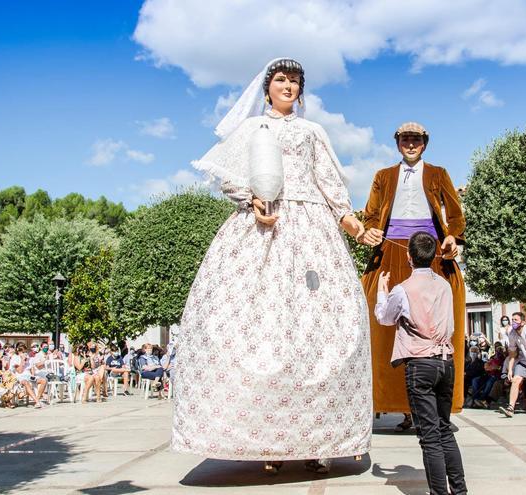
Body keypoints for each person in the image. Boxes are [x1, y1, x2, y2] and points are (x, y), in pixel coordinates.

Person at [173, 58, 372, 474]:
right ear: (267, 88)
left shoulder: (312, 131)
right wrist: (252, 199)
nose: (288, 86)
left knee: (318, 332)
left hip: (312, 228)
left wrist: (351, 223)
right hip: (265, 224)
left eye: (295, 81)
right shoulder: (252, 128)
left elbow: (328, 181)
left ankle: (317, 441)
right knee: (264, 330)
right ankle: (268, 442)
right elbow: (230, 175)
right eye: (281, 79)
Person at [359, 121, 466, 419]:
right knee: (380, 318)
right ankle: (390, 401)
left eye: (416, 140)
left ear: (424, 144)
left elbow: (455, 214)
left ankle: (434, 404)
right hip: (391, 249)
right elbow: (371, 214)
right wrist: (370, 230)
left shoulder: (438, 173)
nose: (410, 144)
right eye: (405, 139)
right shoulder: (383, 176)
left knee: (435, 317)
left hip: (429, 250)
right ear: (397, 143)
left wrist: (452, 237)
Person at [374, 231, 467, 495]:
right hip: (446, 361)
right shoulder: (445, 286)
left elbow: (384, 318)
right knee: (444, 429)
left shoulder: (403, 289)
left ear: (409, 257)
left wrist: (382, 292)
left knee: (429, 437)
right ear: (434, 254)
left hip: (420, 364)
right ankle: (459, 491)